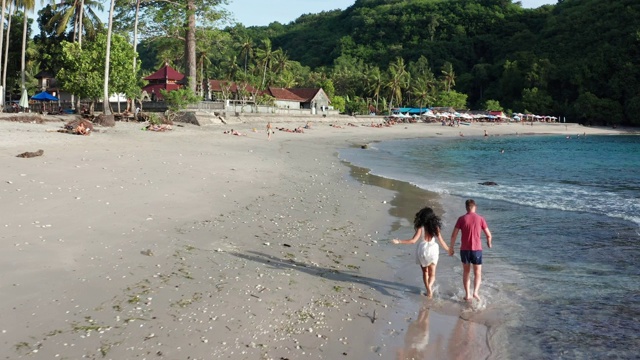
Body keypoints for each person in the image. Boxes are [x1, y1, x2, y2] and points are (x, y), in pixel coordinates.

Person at [392, 207, 450, 298]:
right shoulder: (435, 227)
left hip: (422, 250)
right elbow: (441, 241)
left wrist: (399, 241)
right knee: (432, 274)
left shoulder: (421, 227)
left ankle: (428, 290)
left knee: (425, 272)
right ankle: (430, 286)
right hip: (433, 250)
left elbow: (413, 241)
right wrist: (449, 250)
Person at [449, 199, 492, 301]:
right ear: (474, 207)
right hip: (477, 249)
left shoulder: (461, 219)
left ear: (466, 208)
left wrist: (451, 247)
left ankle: (467, 294)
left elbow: (454, 235)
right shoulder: (480, 219)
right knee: (478, 272)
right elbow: (488, 235)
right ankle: (476, 292)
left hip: (465, 250)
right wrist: (489, 243)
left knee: (466, 272)